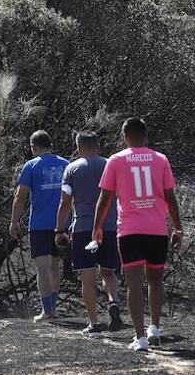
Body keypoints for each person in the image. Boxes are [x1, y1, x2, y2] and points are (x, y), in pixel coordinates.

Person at [93, 117, 182, 352]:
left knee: (133, 282)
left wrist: (97, 226)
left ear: (125, 137)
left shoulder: (116, 160)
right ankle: (155, 327)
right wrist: (178, 227)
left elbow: (105, 198)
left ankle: (140, 337)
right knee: (155, 279)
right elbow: (170, 197)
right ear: (146, 135)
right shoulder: (160, 159)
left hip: (129, 229)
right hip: (156, 228)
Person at [55, 132, 122, 336]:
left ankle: (94, 323)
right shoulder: (110, 164)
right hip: (110, 226)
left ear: (78, 147)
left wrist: (60, 229)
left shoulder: (71, 169)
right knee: (108, 272)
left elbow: (65, 202)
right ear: (98, 145)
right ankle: (113, 301)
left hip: (83, 227)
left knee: (87, 277)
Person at [8, 130, 70, 321]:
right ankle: (53, 308)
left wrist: (14, 221)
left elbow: (20, 196)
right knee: (54, 265)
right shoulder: (66, 164)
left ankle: (46, 311)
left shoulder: (31, 165)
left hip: (39, 224)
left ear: (33, 147)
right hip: (62, 223)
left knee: (42, 267)